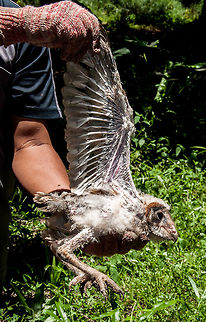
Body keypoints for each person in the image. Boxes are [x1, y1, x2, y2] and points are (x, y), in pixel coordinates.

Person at [0, 0, 146, 290]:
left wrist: (74, 212)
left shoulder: (26, 40)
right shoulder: (23, 24)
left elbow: (29, 141)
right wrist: (12, 24)